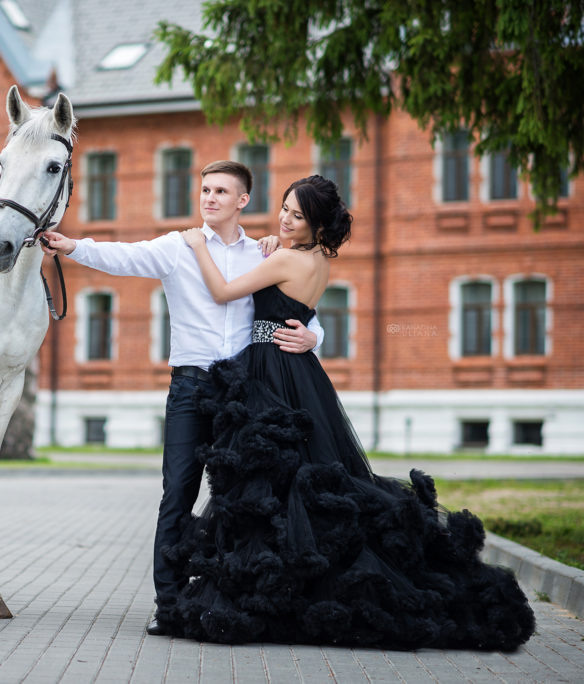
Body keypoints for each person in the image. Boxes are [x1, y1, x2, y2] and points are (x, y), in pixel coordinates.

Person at [162, 175, 535, 650]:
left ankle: (282, 591)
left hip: (272, 372)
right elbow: (298, 307)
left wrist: (198, 246)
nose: (285, 219)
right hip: (300, 372)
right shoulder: (317, 260)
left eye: (297, 215)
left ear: (317, 224)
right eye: (284, 209)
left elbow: (221, 291)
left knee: (276, 482)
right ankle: (295, 587)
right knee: (298, 478)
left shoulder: (285, 259)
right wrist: (289, 276)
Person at [41, 160, 325, 637]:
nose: (209, 198)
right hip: (191, 388)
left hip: (245, 392)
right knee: (178, 493)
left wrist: (315, 337)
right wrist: (72, 246)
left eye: (221, 191)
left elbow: (296, 309)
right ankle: (168, 604)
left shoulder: (263, 251)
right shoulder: (178, 247)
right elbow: (124, 256)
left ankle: (233, 598)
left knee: (240, 497)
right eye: (205, 189)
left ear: (242, 200)